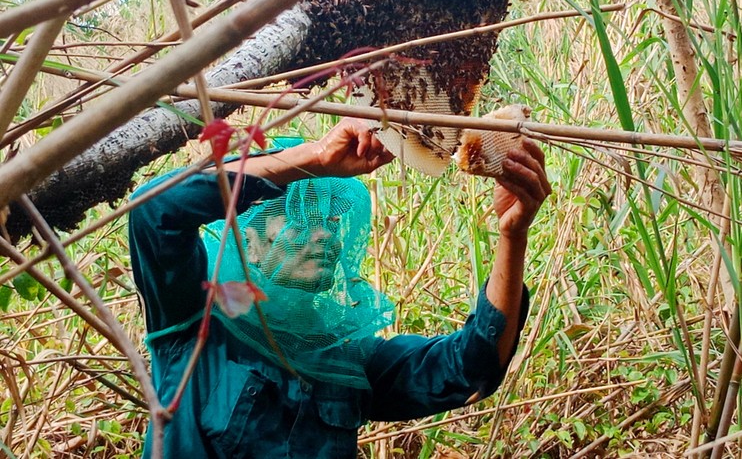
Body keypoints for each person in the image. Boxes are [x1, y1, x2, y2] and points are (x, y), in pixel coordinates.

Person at [128, 118, 550, 458]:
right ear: (250, 243)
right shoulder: (197, 318)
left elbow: (470, 367)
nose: (327, 235)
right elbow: (154, 210)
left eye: (332, 222)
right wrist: (314, 159)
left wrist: (513, 236)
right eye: (302, 216)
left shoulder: (345, 357)